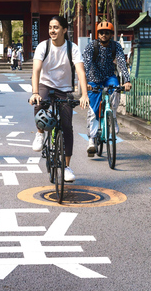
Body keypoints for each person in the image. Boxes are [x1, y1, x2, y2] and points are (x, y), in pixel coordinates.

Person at [29, 15, 90, 183]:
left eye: (56, 27)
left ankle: (66, 166)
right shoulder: (43, 46)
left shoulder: (73, 48)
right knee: (39, 102)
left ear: (64, 30)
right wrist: (35, 92)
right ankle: (40, 133)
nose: (52, 30)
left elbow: (81, 72)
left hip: (65, 89)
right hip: (46, 84)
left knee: (66, 126)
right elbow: (36, 71)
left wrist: (84, 94)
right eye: (50, 27)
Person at [82, 21, 131, 157]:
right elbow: (85, 64)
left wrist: (127, 80)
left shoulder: (116, 46)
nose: (104, 34)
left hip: (109, 77)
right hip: (93, 79)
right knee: (93, 111)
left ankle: (113, 116)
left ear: (111, 34)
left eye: (107, 32)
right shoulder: (91, 46)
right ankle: (91, 140)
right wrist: (85, 82)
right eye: (101, 32)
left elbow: (121, 62)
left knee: (116, 89)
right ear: (98, 34)